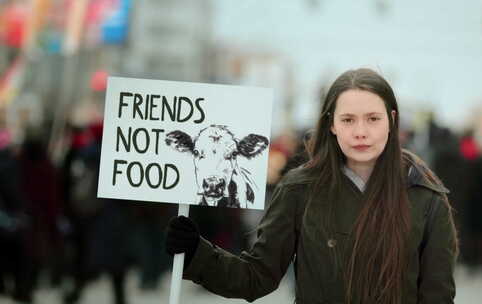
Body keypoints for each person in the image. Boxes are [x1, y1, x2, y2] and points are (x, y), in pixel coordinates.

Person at [165, 68, 459, 303]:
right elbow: (256, 277)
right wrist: (196, 253)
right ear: (331, 124)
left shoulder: (425, 197)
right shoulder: (299, 190)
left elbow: (438, 297)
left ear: (391, 120)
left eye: (372, 119)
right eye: (348, 120)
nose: (360, 132)